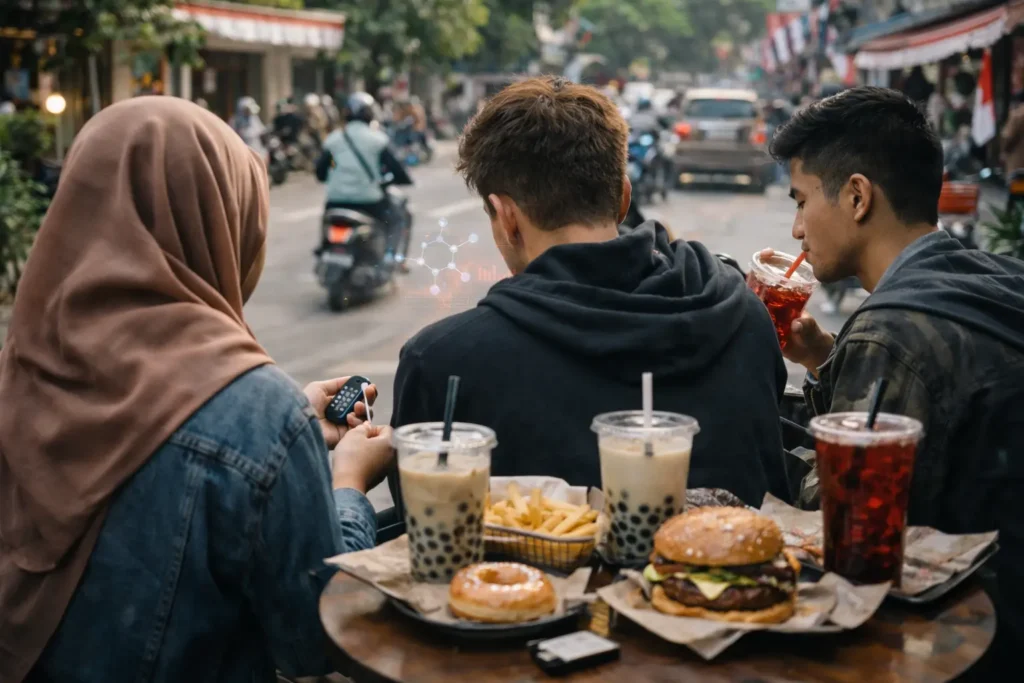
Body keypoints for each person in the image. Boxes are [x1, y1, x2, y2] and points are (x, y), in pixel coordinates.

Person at [0, 96, 396, 683]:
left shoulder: (19, 370)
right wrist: (346, 482)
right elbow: (312, 641)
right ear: (221, 220)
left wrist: (292, 437)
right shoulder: (258, 413)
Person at [389, 77, 791, 509]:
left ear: (507, 218)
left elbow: (424, 517)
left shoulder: (441, 363)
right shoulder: (746, 315)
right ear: (623, 197)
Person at [770, 86, 1024, 672]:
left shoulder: (889, 331)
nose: (796, 229)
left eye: (801, 200)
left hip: (966, 640)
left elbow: (839, 512)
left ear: (857, 196)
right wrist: (824, 358)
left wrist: (742, 419)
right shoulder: (992, 276)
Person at [315, 92, 413, 266]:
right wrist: (403, 179)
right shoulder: (378, 139)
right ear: (370, 115)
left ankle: (324, 247)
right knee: (398, 218)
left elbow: (320, 173)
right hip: (369, 202)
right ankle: (391, 260)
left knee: (326, 220)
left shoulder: (333, 139)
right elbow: (397, 171)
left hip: (335, 202)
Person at [229, 95, 267, 161]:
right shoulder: (235, 120)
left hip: (257, 151)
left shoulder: (254, 119)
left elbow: (261, 132)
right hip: (243, 153)